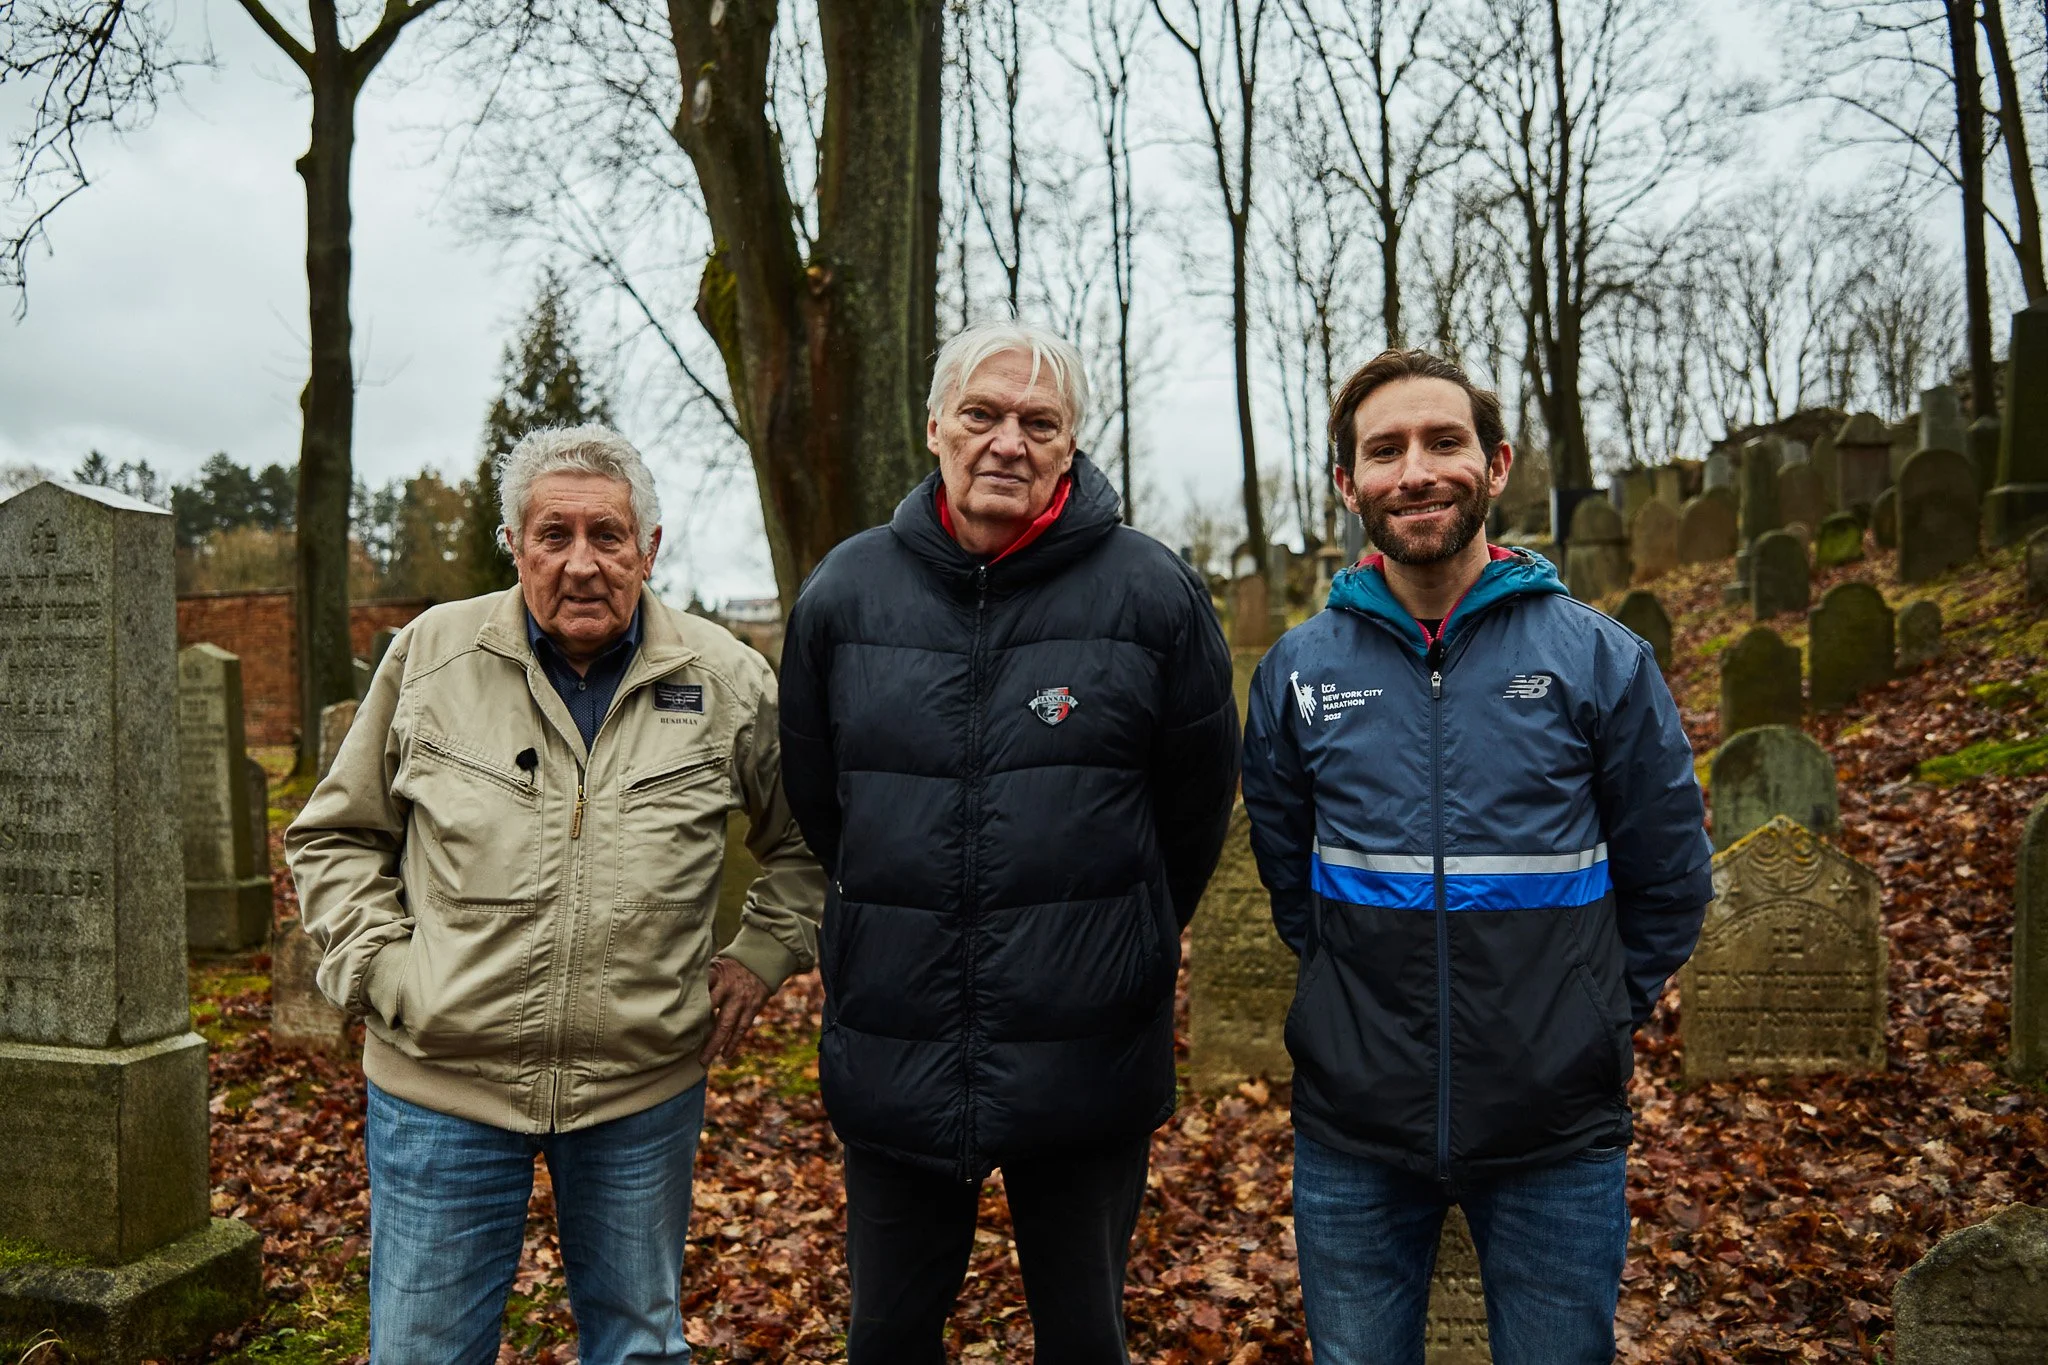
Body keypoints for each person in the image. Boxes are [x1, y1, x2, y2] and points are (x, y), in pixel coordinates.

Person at [287, 425, 824, 1365]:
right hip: (443, 1086)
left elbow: (811, 846)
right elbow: (337, 834)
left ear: (649, 549)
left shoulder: (727, 678)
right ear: (516, 544)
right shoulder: (433, 658)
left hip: (639, 1089)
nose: (582, 563)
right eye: (554, 534)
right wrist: (380, 970)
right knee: (423, 1351)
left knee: (637, 1346)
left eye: (608, 536)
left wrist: (758, 958)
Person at [776, 320, 1240, 1364]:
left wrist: (1121, 943)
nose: (1007, 442)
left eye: (1040, 422)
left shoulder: (1154, 595)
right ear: (934, 426)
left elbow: (1192, 812)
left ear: (1071, 444)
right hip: (899, 1032)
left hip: (1086, 1047)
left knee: (1083, 1336)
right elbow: (820, 801)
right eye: (981, 414)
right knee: (888, 1334)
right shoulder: (844, 596)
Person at [1240, 350, 1712, 1365]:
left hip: (1553, 1138)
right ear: (1345, 484)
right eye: (1383, 450)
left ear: (1494, 466)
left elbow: (1669, 875)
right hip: (1354, 1134)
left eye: (1441, 441)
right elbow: (1289, 879)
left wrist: (1586, 1013)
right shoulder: (1296, 672)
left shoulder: (1597, 659)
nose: (1414, 470)